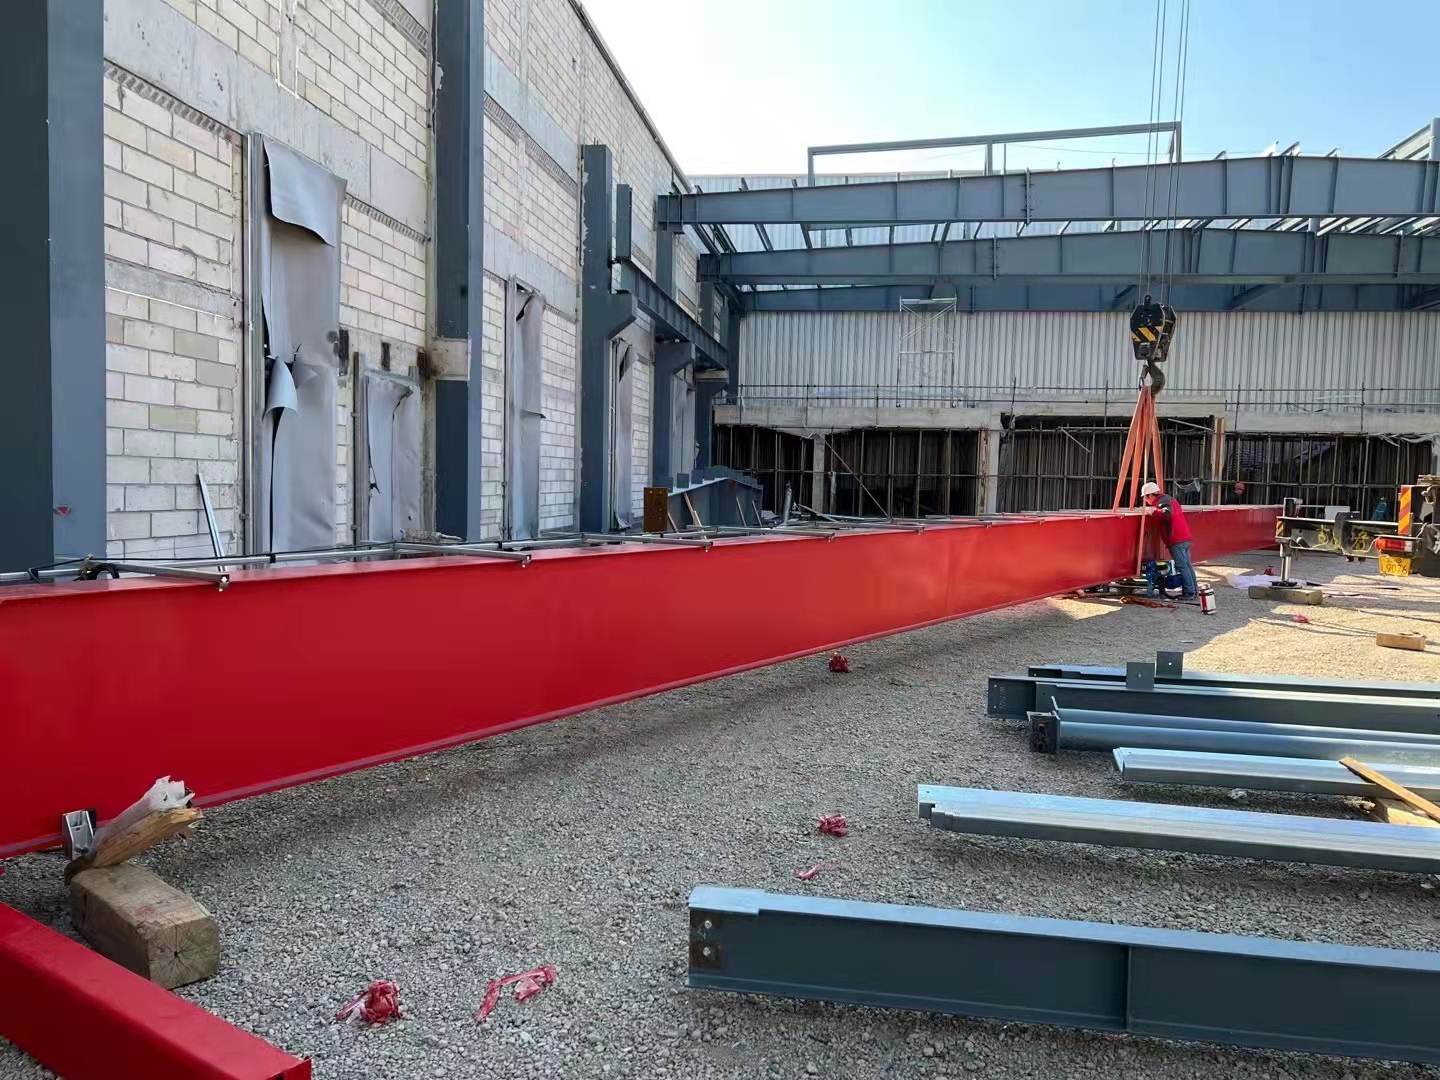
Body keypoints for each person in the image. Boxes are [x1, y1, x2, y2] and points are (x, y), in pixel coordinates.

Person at [1141, 481, 1196, 599]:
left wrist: (1153, 511)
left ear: (1150, 495)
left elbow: (1166, 514)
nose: (1146, 501)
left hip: (1176, 539)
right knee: (1187, 565)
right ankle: (1193, 590)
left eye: (1145, 498)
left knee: (1182, 566)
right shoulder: (1169, 499)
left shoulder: (1162, 502)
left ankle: (1189, 592)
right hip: (1184, 537)